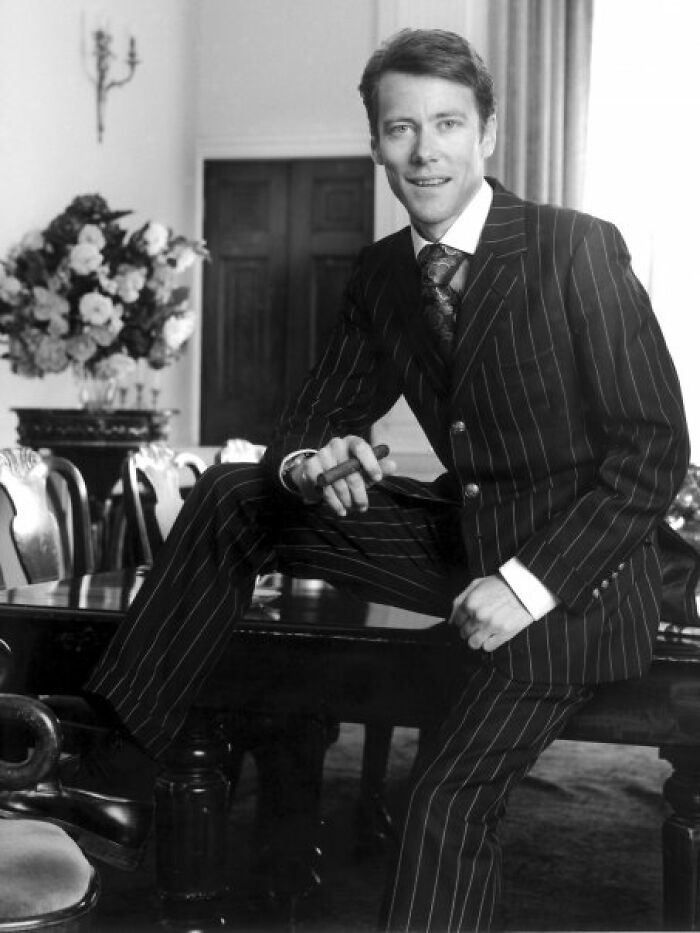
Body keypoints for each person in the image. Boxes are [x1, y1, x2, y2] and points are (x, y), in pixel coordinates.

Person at [1, 27, 696, 931]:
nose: (424, 150)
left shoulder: (577, 248)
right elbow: (304, 424)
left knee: (442, 801)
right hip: (461, 539)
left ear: (487, 132)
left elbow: (653, 450)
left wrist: (526, 586)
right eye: (401, 128)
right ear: (376, 145)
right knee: (237, 492)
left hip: (575, 579)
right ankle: (119, 772)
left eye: (447, 123)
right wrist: (313, 462)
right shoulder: (381, 273)